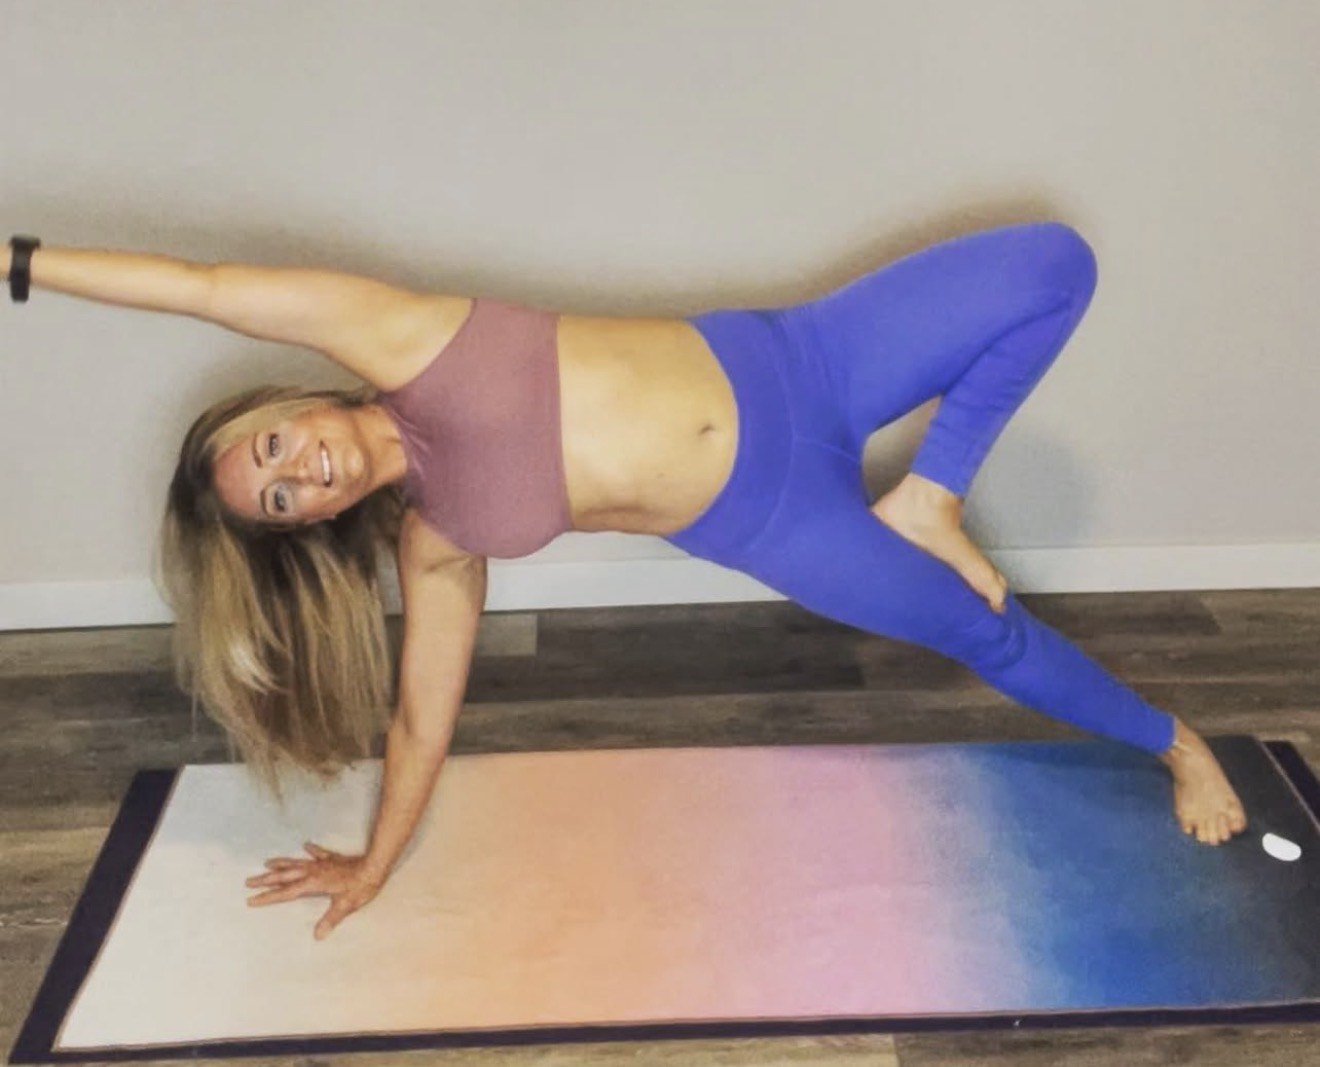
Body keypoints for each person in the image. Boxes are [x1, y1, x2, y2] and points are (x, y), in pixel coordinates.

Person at [5, 223, 1247, 941]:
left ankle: (933, 495)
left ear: (293, 406)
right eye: (278, 500)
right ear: (309, 522)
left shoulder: (392, 334)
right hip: (775, 518)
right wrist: (375, 860)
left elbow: (204, 288)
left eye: (271, 448)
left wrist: (21, 259)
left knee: (1051, 263)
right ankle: (1176, 740)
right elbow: (421, 714)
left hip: (802, 357)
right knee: (987, 632)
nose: (297, 473)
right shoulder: (437, 538)